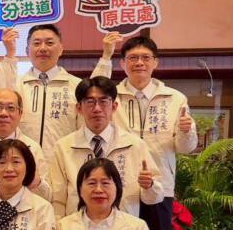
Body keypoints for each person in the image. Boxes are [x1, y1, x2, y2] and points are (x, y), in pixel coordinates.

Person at [96, 33, 197, 230]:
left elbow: (185, 147)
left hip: (158, 189)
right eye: (132, 58)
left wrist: (187, 132)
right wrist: (106, 54)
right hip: (119, 190)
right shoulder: (113, 96)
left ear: (156, 63)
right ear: (123, 63)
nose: (139, 63)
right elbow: (94, 96)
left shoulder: (174, 98)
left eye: (145, 58)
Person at [50, 77, 163, 219]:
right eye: (90, 102)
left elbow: (155, 197)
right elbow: (58, 198)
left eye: (103, 101)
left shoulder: (135, 145)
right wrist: (59, 228)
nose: (97, 109)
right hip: (77, 227)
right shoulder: (63, 147)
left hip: (123, 225)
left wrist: (149, 186)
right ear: (78, 108)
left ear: (114, 106)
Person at [0, 24, 83, 157]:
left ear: (61, 49)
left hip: (62, 162)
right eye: (36, 43)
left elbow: (83, 131)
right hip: (20, 162)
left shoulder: (77, 86)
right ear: (26, 50)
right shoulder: (14, 86)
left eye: (49, 43)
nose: (43, 48)